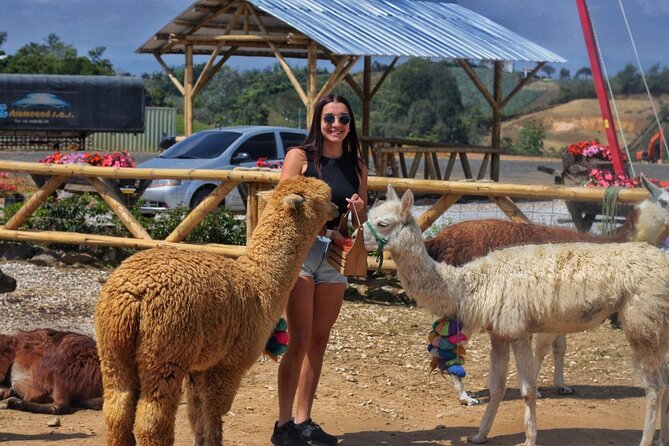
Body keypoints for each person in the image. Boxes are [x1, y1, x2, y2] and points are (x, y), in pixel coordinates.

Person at [271, 94, 368, 446]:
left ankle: (303, 420)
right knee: (298, 339)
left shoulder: (357, 166)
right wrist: (321, 214)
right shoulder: (300, 157)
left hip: (334, 256)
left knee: (318, 340)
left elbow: (360, 220)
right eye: (329, 119)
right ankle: (283, 426)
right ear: (318, 121)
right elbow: (284, 200)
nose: (337, 126)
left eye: (344, 119)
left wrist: (357, 211)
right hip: (302, 252)